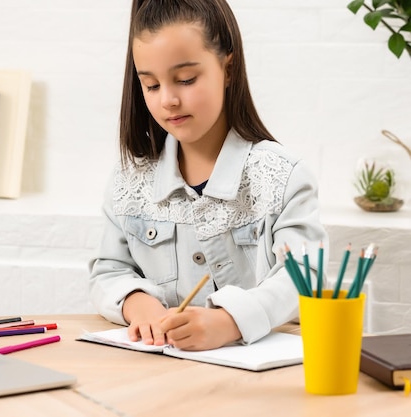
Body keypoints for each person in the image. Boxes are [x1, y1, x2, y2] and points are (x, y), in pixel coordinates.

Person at [88, 0, 328, 351]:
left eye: (185, 79)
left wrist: (230, 321)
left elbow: (304, 276)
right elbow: (108, 270)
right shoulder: (130, 181)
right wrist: (138, 303)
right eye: (151, 86)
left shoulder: (283, 177)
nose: (168, 99)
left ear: (228, 69)